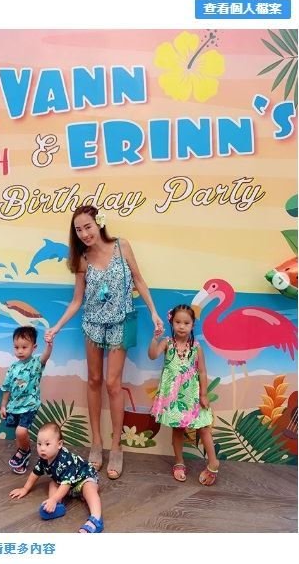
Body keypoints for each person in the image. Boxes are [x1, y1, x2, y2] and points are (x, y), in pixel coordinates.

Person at [45, 205, 163, 480]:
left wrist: (154, 312)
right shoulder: (82, 259)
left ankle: (116, 445)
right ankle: (96, 443)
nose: (84, 234)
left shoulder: (122, 246)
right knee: (94, 380)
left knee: (113, 383)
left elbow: (139, 280)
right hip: (93, 324)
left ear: (99, 223)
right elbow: (77, 300)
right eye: (78, 230)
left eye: (87, 227)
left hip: (122, 321)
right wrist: (57, 327)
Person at [149, 304, 219, 485]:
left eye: (186, 323)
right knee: (178, 429)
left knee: (204, 427)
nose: (181, 326)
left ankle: (213, 462)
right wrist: (155, 339)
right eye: (178, 322)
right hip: (174, 396)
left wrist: (204, 394)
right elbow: (153, 355)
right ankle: (179, 462)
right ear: (172, 323)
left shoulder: (196, 347)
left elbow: (202, 371)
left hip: (192, 395)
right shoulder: (167, 343)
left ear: (192, 325)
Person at [9, 422, 104, 533]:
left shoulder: (65, 460)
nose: (42, 448)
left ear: (59, 444)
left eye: (47, 444)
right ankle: (57, 506)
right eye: (39, 444)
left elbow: (66, 484)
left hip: (84, 478)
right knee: (53, 483)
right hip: (68, 484)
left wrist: (52, 499)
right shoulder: (44, 459)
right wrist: (25, 488)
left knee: (89, 489)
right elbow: (35, 473)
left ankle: (96, 519)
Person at [0, 326, 52, 474]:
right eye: (16, 347)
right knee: (19, 435)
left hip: (29, 405)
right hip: (14, 406)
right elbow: (7, 388)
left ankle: (25, 451)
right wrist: (3, 405)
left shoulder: (36, 363)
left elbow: (45, 356)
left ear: (34, 347)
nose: (20, 351)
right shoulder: (13, 368)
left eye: (24, 347)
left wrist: (49, 345)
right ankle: (23, 459)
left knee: (21, 431)